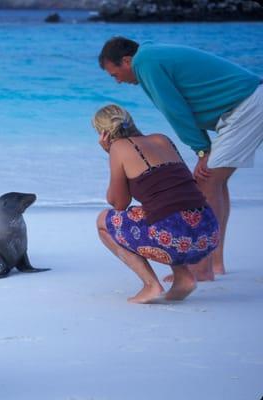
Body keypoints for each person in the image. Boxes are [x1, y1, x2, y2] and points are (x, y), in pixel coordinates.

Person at [98, 37, 263, 281]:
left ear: (126, 60)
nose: (118, 81)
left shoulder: (146, 62)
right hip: (247, 104)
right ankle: (215, 263)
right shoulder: (151, 56)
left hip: (247, 106)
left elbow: (174, 109)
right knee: (217, 182)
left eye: (115, 74)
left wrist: (201, 150)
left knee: (207, 181)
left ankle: (202, 269)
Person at [94, 104, 219, 304]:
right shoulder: (162, 138)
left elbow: (118, 203)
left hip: (174, 238)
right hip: (207, 233)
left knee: (103, 221)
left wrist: (111, 153)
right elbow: (177, 187)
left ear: (103, 134)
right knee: (163, 209)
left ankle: (151, 285)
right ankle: (183, 278)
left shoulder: (119, 148)